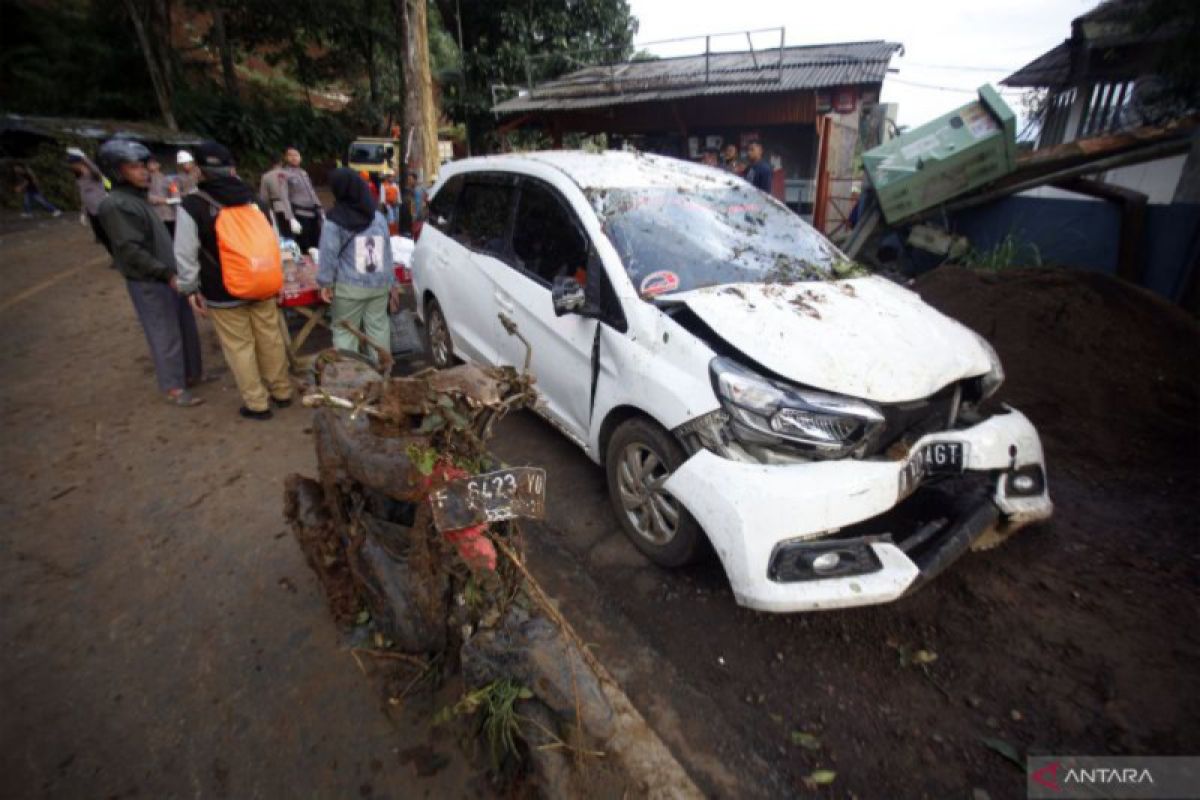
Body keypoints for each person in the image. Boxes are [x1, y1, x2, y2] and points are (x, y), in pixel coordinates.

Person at [174, 141, 292, 421]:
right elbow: (275, 244)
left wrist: (190, 288)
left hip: (222, 290)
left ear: (198, 172)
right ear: (232, 169)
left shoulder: (193, 205)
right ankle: (282, 391)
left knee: (239, 346)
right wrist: (278, 279)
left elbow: (185, 252)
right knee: (270, 339)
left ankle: (257, 403)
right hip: (263, 284)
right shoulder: (255, 201)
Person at [95, 138, 204, 406]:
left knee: (185, 327)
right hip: (150, 280)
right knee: (164, 332)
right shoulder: (117, 205)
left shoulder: (137, 199)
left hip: (168, 274)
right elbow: (130, 251)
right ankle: (173, 387)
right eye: (134, 167)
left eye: (144, 165)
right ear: (116, 170)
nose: (143, 171)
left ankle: (191, 375)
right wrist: (165, 274)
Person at [317, 168, 394, 366]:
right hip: (379, 285)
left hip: (349, 287)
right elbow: (387, 252)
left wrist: (325, 283)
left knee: (345, 331)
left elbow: (328, 255)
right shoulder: (378, 217)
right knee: (378, 329)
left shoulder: (334, 221)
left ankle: (350, 381)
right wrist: (392, 283)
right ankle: (381, 373)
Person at [277, 146, 324, 251]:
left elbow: (312, 192)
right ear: (286, 158)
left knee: (316, 243)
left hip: (313, 213)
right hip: (299, 214)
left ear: (300, 158)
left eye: (296, 155)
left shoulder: (304, 173)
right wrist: (291, 218)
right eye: (290, 155)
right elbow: (284, 197)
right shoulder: (283, 174)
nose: (294, 158)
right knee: (304, 245)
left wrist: (321, 210)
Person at [66, 147, 111, 252]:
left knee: (109, 233)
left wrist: (84, 157)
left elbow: (97, 171)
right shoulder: (80, 177)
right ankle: (114, 255)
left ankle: (118, 256)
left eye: (72, 164)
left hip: (102, 206)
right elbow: (83, 196)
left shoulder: (93, 174)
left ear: (79, 163)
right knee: (101, 235)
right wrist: (83, 212)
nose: (71, 166)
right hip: (91, 210)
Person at [146, 155, 177, 238]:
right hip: (154, 215)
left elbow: (175, 194)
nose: (151, 165)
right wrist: (163, 200)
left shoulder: (168, 180)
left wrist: (170, 200)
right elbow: (146, 196)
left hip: (169, 215)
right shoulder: (145, 180)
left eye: (153, 163)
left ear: (158, 165)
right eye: (149, 163)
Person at [258, 158, 286, 234]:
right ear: (281, 163)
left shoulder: (266, 176)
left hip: (278, 207)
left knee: (284, 231)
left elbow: (264, 197)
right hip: (294, 207)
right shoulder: (289, 173)